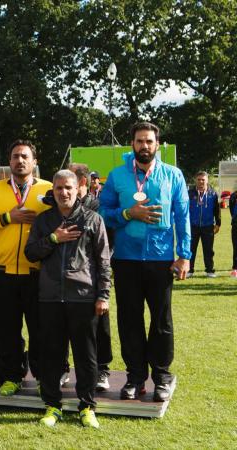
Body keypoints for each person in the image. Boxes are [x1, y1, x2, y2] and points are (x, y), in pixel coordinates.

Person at [99, 122, 191, 402]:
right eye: (139, 141)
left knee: (161, 320)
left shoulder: (172, 175)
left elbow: (182, 216)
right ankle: (135, 376)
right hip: (126, 260)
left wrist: (184, 255)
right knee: (129, 320)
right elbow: (103, 213)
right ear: (132, 145)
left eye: (149, 141)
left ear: (157, 145)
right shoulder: (116, 177)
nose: (144, 146)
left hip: (161, 260)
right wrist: (128, 213)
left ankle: (161, 376)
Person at [24, 170, 111, 429]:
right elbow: (30, 253)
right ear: (53, 191)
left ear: (78, 189)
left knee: (86, 357)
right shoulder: (43, 221)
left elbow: (103, 262)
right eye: (59, 188)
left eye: (68, 188)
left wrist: (103, 295)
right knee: (51, 356)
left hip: (83, 298)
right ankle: (53, 405)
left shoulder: (92, 219)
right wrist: (53, 238)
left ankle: (87, 406)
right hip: (50, 298)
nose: (64, 192)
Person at [0, 140, 52, 396]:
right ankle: (11, 376)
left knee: (40, 328)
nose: (20, 160)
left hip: (37, 272)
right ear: (10, 161)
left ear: (34, 161)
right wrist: (8, 218)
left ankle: (42, 376)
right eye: (16, 156)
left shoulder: (48, 189)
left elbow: (61, 217)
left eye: (25, 156)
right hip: (1, 272)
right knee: (6, 328)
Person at [66, 162, 113, 391]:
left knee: (99, 326)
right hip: (67, 280)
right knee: (63, 325)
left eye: (70, 179)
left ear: (81, 182)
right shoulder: (60, 206)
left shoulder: (97, 206)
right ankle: (63, 369)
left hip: (93, 277)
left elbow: (105, 242)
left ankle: (102, 370)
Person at [188, 171, 220, 277]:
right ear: (195, 180)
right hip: (193, 225)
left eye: (203, 179)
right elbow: (184, 209)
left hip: (208, 225)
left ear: (207, 180)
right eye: (199, 179)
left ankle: (210, 270)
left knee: (208, 249)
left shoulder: (213, 193)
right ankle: (189, 270)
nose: (201, 181)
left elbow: (217, 209)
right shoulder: (189, 193)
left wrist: (218, 223)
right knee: (191, 249)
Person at [230, 189, 237, 278]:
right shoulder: (234, 196)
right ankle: (235, 268)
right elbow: (232, 212)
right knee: (236, 247)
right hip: (236, 225)